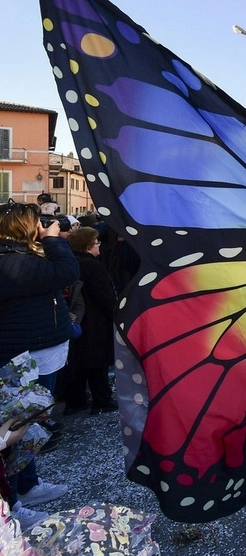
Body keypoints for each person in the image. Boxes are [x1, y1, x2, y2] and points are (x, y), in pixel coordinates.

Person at [0, 200, 74, 520]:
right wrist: (53, 239)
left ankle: (26, 486)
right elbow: (67, 271)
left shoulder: (19, 257)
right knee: (18, 427)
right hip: (27, 355)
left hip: (40, 351)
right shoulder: (11, 260)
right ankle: (13, 502)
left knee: (30, 423)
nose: (43, 225)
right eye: (37, 221)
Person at [62, 227, 118, 415]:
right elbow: (104, 295)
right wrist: (116, 312)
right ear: (87, 247)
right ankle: (101, 400)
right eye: (96, 243)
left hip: (77, 318)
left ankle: (76, 400)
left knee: (79, 362)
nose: (99, 246)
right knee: (97, 363)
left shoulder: (71, 262)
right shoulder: (92, 265)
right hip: (95, 320)